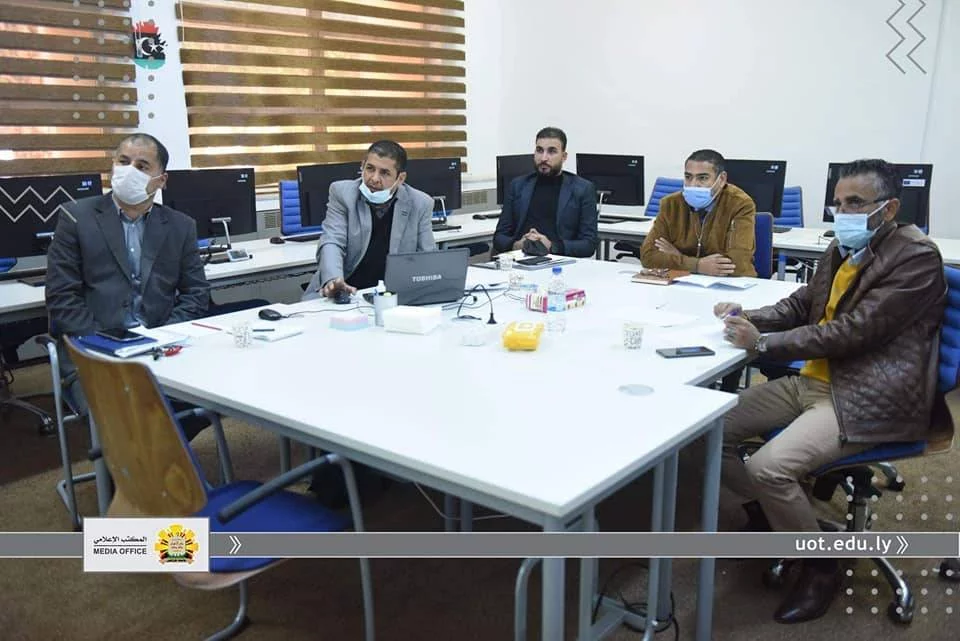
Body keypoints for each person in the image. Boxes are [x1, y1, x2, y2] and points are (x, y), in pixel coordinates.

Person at [716, 158, 947, 624]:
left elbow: (853, 332)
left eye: (855, 203)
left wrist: (763, 344)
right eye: (838, 203)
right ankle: (771, 515)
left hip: (868, 394)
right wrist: (749, 315)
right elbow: (803, 303)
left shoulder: (916, 257)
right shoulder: (845, 247)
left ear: (889, 208)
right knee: (705, 429)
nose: (843, 213)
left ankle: (821, 565)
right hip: (815, 380)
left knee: (769, 467)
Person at [45, 132, 212, 439]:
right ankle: (140, 467)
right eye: (123, 162)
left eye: (142, 166)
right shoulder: (76, 217)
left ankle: (157, 463)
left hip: (161, 348)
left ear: (161, 180)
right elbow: (62, 297)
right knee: (126, 419)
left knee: (208, 402)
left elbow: (196, 293)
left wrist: (163, 337)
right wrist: (105, 344)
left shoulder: (180, 225)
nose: (129, 171)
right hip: (95, 352)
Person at [303, 140, 435, 299]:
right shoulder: (342, 193)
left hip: (390, 295)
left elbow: (427, 257)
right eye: (370, 168)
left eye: (385, 173)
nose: (374, 178)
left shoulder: (420, 203)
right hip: (345, 290)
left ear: (400, 178)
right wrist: (333, 280)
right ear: (362, 166)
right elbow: (332, 241)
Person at [640, 149, 757, 277]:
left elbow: (737, 265)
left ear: (722, 179)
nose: (693, 184)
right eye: (688, 177)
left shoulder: (740, 204)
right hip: (684, 281)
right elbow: (648, 257)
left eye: (703, 178)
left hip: (729, 284)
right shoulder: (670, 204)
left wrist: (678, 256)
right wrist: (698, 265)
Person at [492, 127, 598, 258]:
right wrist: (517, 245)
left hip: (559, 259)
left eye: (551, 151)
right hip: (520, 258)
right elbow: (499, 237)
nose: (543, 158)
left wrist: (552, 246)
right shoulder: (518, 185)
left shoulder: (582, 189)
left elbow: (589, 244)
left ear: (564, 157)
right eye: (539, 150)